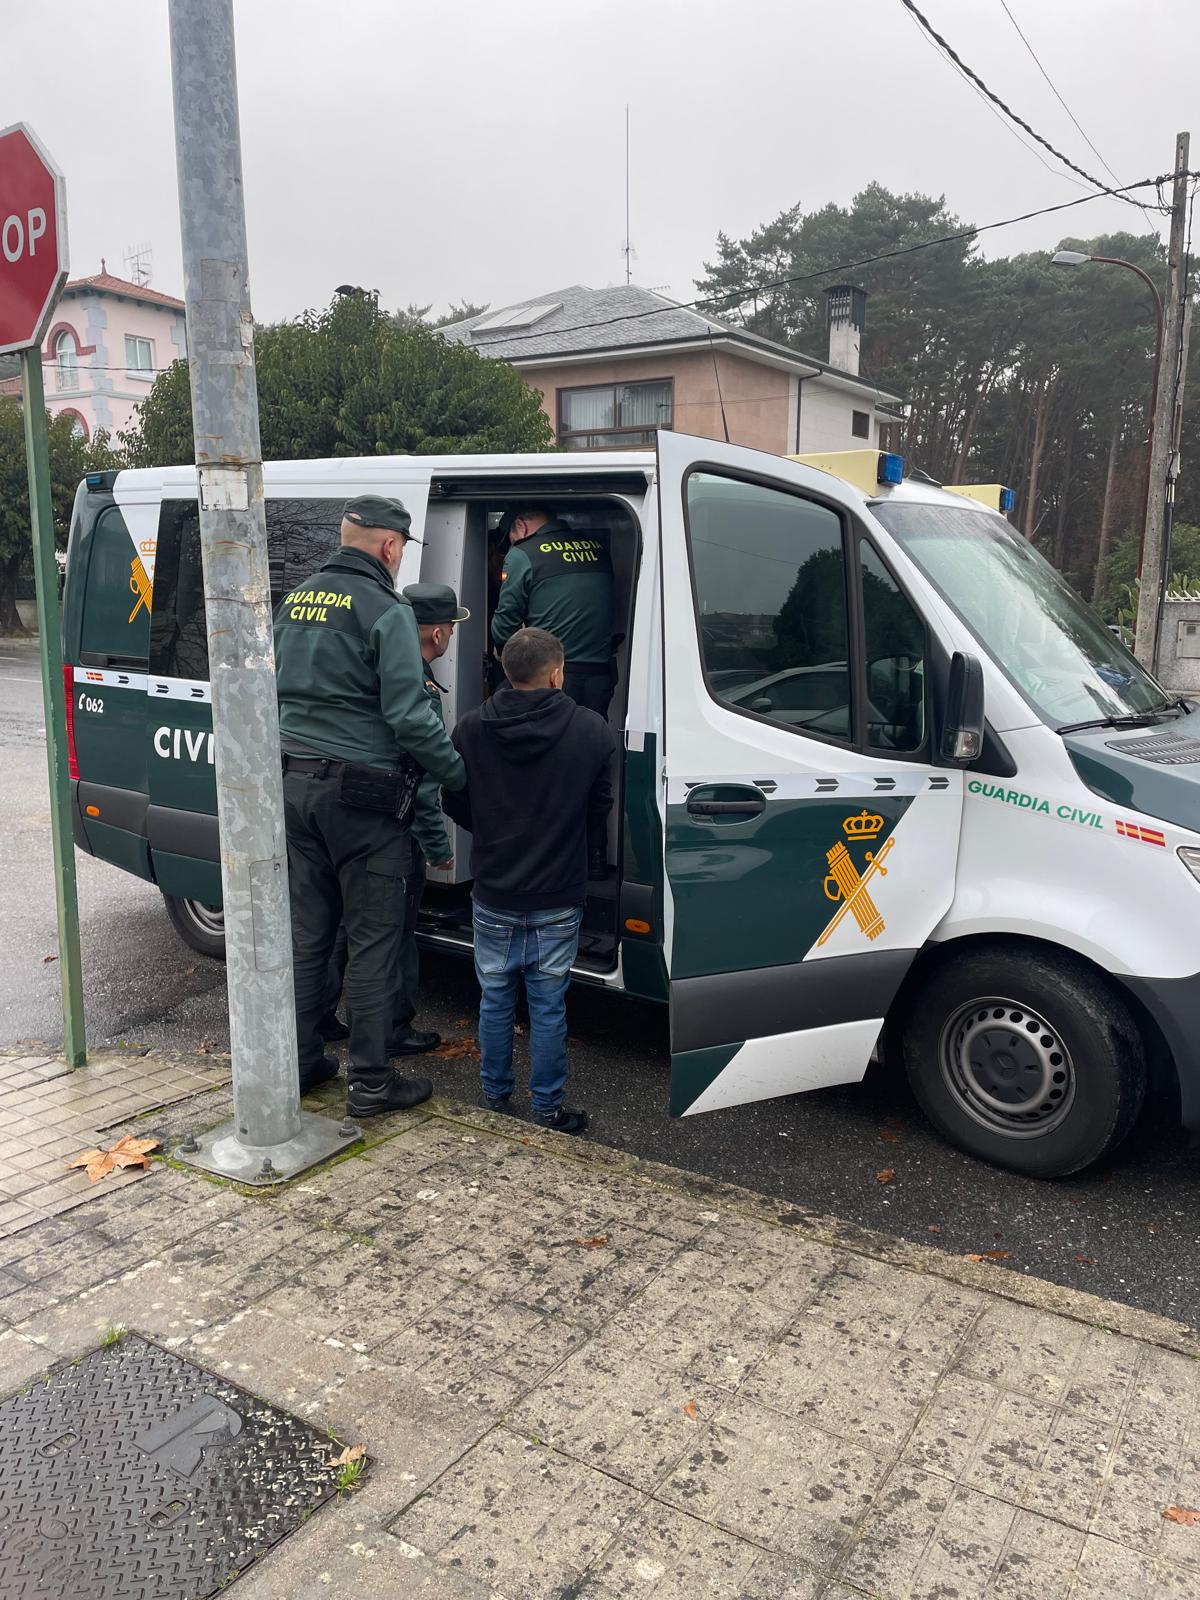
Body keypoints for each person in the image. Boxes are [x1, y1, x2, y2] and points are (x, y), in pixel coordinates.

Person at [274, 495, 465, 1117]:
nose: (402, 555)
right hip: (364, 800)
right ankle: (374, 1084)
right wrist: (456, 774)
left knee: (309, 936)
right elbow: (410, 715)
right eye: (403, 547)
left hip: (294, 788)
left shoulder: (294, 598)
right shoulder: (386, 610)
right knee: (375, 943)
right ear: (390, 546)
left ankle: (300, 1066)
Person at [442, 627, 615, 1134]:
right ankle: (547, 1109)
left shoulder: (471, 729)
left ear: (504, 668)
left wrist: (494, 831)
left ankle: (494, 1098)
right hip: (559, 892)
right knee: (547, 1003)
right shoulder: (591, 730)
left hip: (494, 887)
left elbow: (455, 802)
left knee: (495, 999)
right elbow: (598, 809)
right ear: (557, 672)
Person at [392, 581, 470, 1050]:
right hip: (395, 833)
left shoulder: (382, 667)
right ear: (439, 635)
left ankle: (324, 1020)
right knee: (397, 931)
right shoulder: (418, 685)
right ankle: (396, 1029)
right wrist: (439, 848)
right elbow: (421, 782)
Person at [490, 506, 616, 715]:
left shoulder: (523, 553)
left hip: (550, 675)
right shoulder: (597, 548)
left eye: (511, 539)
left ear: (520, 527)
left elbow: (506, 621)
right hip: (600, 676)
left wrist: (502, 651)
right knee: (590, 739)